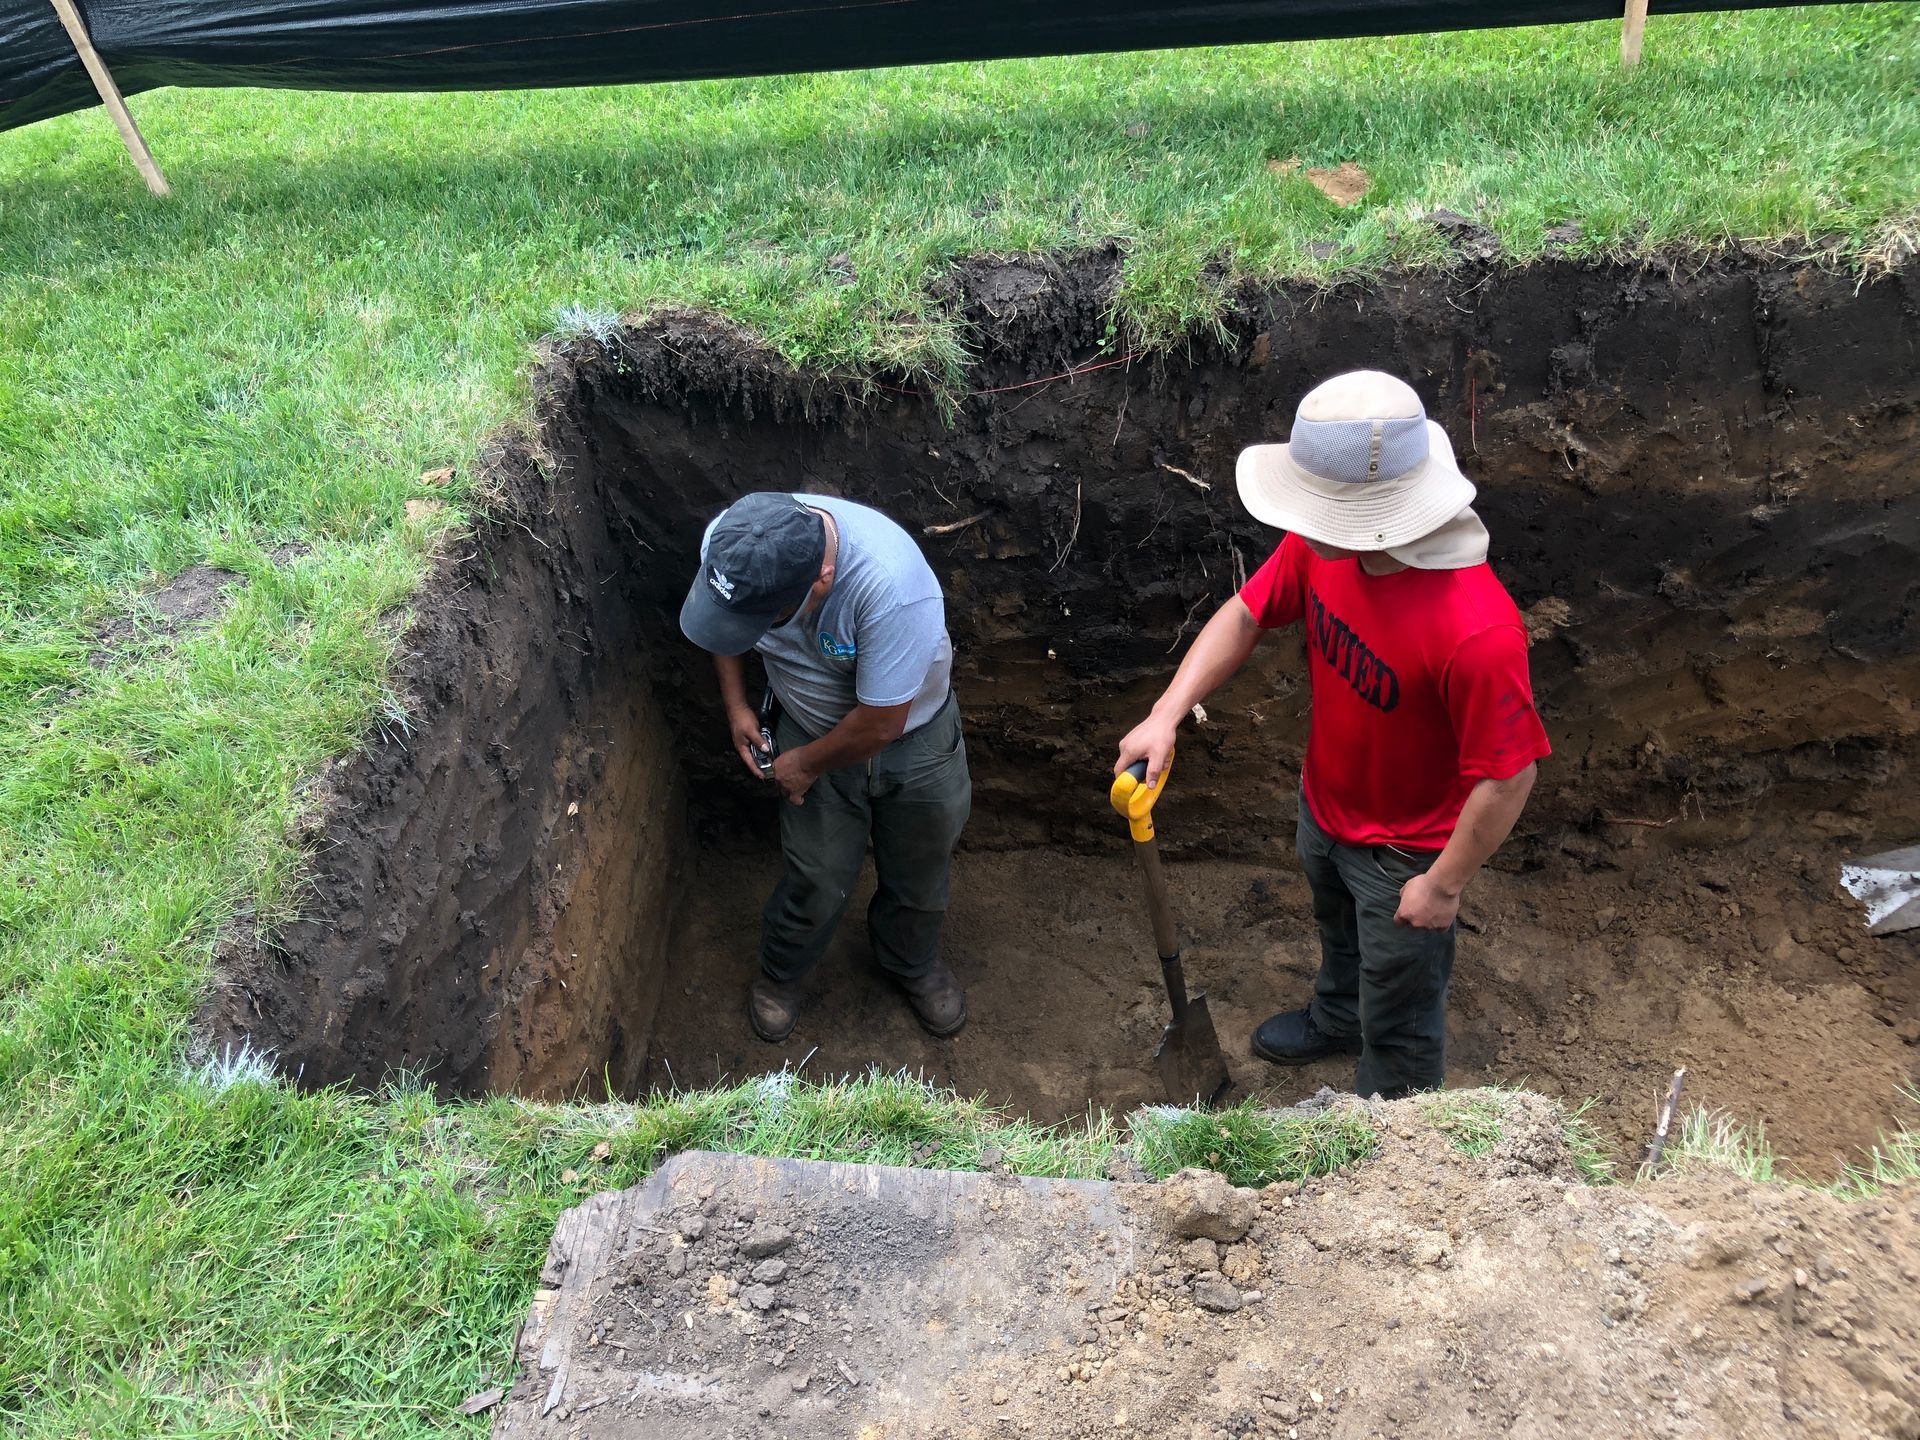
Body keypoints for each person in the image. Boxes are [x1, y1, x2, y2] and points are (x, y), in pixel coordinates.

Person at [1115, 371, 1550, 1099]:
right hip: (1328, 807)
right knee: (1340, 934)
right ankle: (1340, 1015)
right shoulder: (1327, 548)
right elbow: (1248, 613)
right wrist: (1166, 712)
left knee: (1405, 1006)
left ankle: (1391, 1118)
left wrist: (1442, 886)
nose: (1300, 524)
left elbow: (1510, 776)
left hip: (1406, 853)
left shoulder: (1476, 630)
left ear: (1369, 515)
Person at [679, 491, 971, 1043]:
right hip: (805, 728)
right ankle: (781, 973)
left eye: (768, 619)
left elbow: (881, 724)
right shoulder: (734, 542)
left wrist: (804, 766)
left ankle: (910, 962)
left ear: (821, 580)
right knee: (817, 875)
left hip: (913, 739)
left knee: (920, 867)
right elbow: (724, 621)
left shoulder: (892, 590)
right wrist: (738, 706)